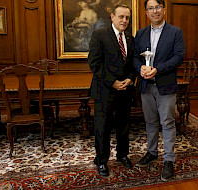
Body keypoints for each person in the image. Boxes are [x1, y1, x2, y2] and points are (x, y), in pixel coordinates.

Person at [133, 0, 185, 182]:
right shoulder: (140, 34)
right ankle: (151, 152)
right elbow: (134, 57)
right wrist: (140, 68)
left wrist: (158, 69)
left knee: (168, 123)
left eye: (157, 7)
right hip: (146, 86)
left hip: (165, 85)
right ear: (146, 12)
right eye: (150, 8)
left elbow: (179, 56)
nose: (154, 11)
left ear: (163, 9)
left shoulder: (175, 32)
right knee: (150, 122)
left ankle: (169, 160)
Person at [88, 4, 135, 178]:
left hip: (125, 90)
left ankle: (122, 155)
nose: (124, 20)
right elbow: (94, 63)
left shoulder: (130, 38)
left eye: (127, 18)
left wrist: (130, 79)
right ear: (112, 16)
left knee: (123, 126)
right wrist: (113, 82)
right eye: (121, 16)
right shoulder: (100, 34)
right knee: (103, 127)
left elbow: (133, 63)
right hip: (105, 90)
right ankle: (101, 160)